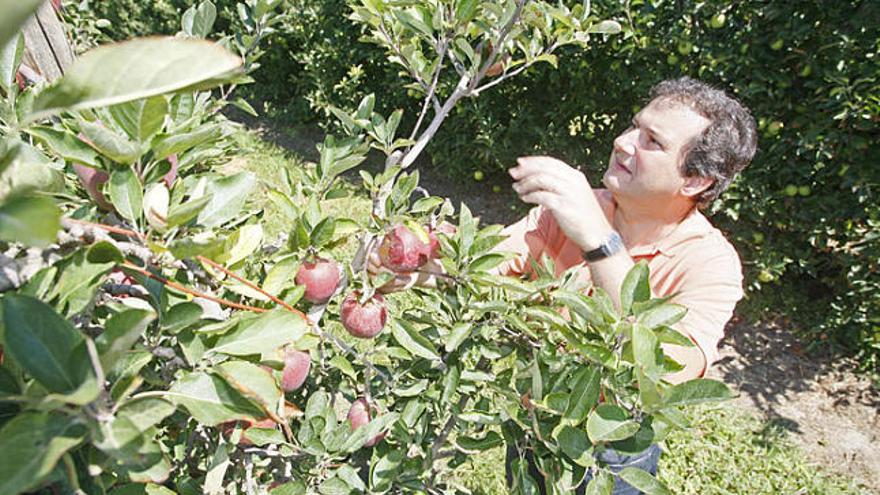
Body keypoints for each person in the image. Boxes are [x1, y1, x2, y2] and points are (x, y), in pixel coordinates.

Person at [373, 77, 757, 381]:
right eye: (633, 127)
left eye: (652, 141)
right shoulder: (576, 209)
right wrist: (412, 268)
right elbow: (483, 265)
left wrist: (599, 242)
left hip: (613, 448)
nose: (622, 142)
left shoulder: (711, 264)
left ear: (694, 182)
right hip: (534, 418)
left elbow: (668, 370)